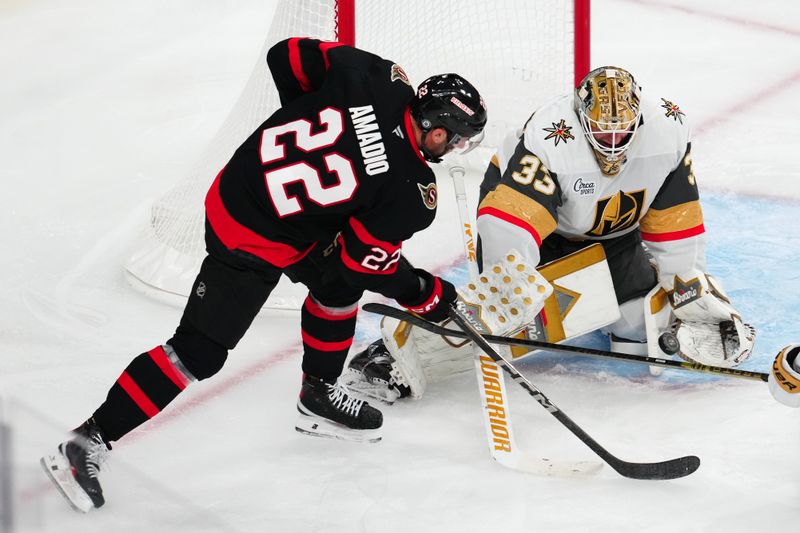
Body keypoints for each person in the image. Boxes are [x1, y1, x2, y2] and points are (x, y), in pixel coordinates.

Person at [40, 37, 487, 513]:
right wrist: (424, 292)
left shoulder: (376, 75)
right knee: (199, 352)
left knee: (337, 283)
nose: (457, 148)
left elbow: (285, 56)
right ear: (437, 134)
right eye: (458, 139)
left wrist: (311, 121)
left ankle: (317, 394)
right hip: (250, 238)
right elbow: (364, 260)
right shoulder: (410, 190)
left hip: (242, 181)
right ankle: (87, 441)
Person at [347, 65, 757, 402]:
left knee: (641, 325)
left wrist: (688, 285)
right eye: (602, 133)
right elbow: (513, 216)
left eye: (621, 133)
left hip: (611, 236)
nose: (613, 144)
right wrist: (512, 277)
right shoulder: (549, 138)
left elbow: (674, 217)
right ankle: (395, 356)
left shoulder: (667, 133)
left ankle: (633, 290)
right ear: (581, 120)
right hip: (534, 228)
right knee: (512, 313)